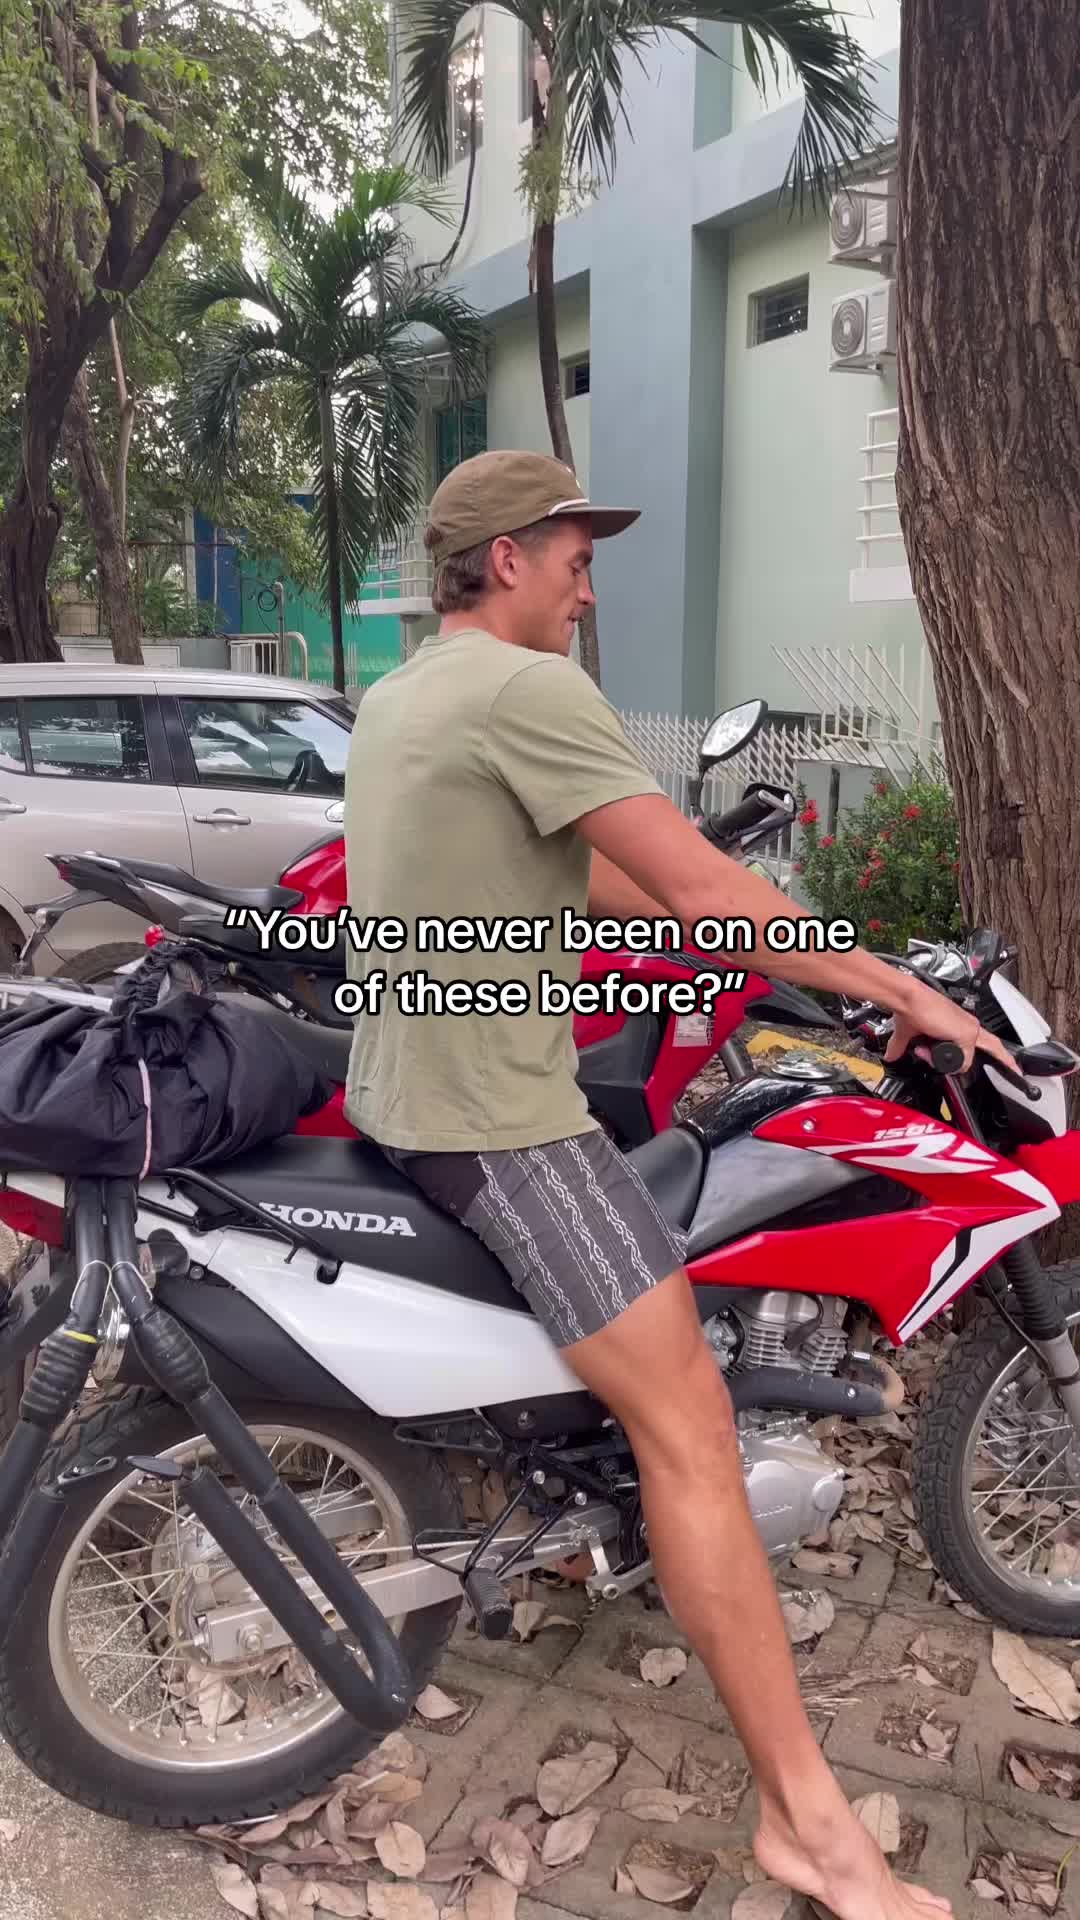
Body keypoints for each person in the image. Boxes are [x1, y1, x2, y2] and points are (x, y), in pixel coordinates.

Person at [343, 449, 1012, 1920]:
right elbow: (712, 891)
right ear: (506, 560)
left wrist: (709, 926)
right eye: (575, 557)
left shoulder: (408, 693)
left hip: (407, 1092)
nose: (589, 586)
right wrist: (896, 983)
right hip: (497, 1123)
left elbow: (591, 876)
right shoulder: (528, 690)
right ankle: (811, 1829)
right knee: (693, 1426)